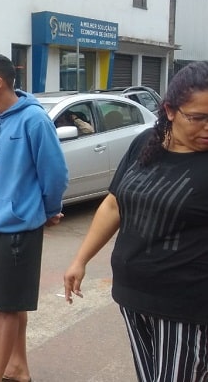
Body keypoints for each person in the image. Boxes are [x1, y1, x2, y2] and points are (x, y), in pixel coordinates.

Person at [64, 61, 208, 382]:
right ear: (170, 111)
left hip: (187, 306)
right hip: (134, 296)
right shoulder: (145, 143)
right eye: (199, 118)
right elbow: (114, 204)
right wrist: (80, 259)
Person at [0, 54, 68, 382]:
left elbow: (55, 173)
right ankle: (17, 366)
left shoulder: (34, 121)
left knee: (7, 308)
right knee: (12, 301)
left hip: (18, 226)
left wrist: (50, 208)